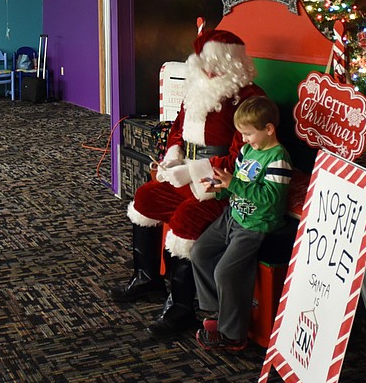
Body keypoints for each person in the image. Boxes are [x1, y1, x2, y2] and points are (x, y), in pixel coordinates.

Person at [113, 28, 265, 339]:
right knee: (145, 198)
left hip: (221, 185)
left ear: (232, 64)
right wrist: (171, 157)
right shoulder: (196, 90)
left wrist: (193, 172)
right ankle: (147, 277)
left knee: (186, 219)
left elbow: (242, 156)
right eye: (204, 62)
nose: (208, 69)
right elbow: (178, 130)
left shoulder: (249, 99)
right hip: (187, 171)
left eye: (215, 62)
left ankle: (182, 308)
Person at [190, 96, 294, 352]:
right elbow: (236, 184)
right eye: (242, 134)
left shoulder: (278, 157)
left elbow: (270, 200)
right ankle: (215, 311)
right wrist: (220, 188)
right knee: (199, 252)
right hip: (233, 215)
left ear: (269, 129)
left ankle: (232, 335)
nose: (244, 140)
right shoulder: (248, 151)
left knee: (225, 272)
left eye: (248, 134)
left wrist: (233, 185)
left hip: (256, 225)